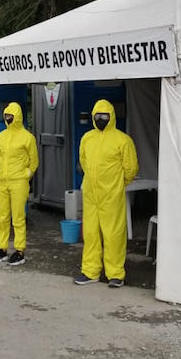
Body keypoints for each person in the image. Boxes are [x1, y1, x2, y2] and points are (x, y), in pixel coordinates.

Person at [74, 99, 138, 288]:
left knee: (113, 234)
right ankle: (90, 271)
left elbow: (131, 168)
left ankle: (115, 274)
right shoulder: (87, 138)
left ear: (111, 117)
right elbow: (84, 162)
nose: (101, 119)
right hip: (91, 195)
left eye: (105, 116)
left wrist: (116, 184)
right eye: (98, 115)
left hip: (111, 195)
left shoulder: (122, 140)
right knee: (91, 233)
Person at [0, 102, 38, 266]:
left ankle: (19, 250)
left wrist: (26, 175)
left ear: (17, 117)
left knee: (18, 217)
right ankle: (2, 248)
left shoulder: (28, 138)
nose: (8, 118)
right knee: (2, 217)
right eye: (6, 116)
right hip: (1, 182)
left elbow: (34, 162)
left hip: (19, 182)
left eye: (11, 116)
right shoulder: (0, 137)